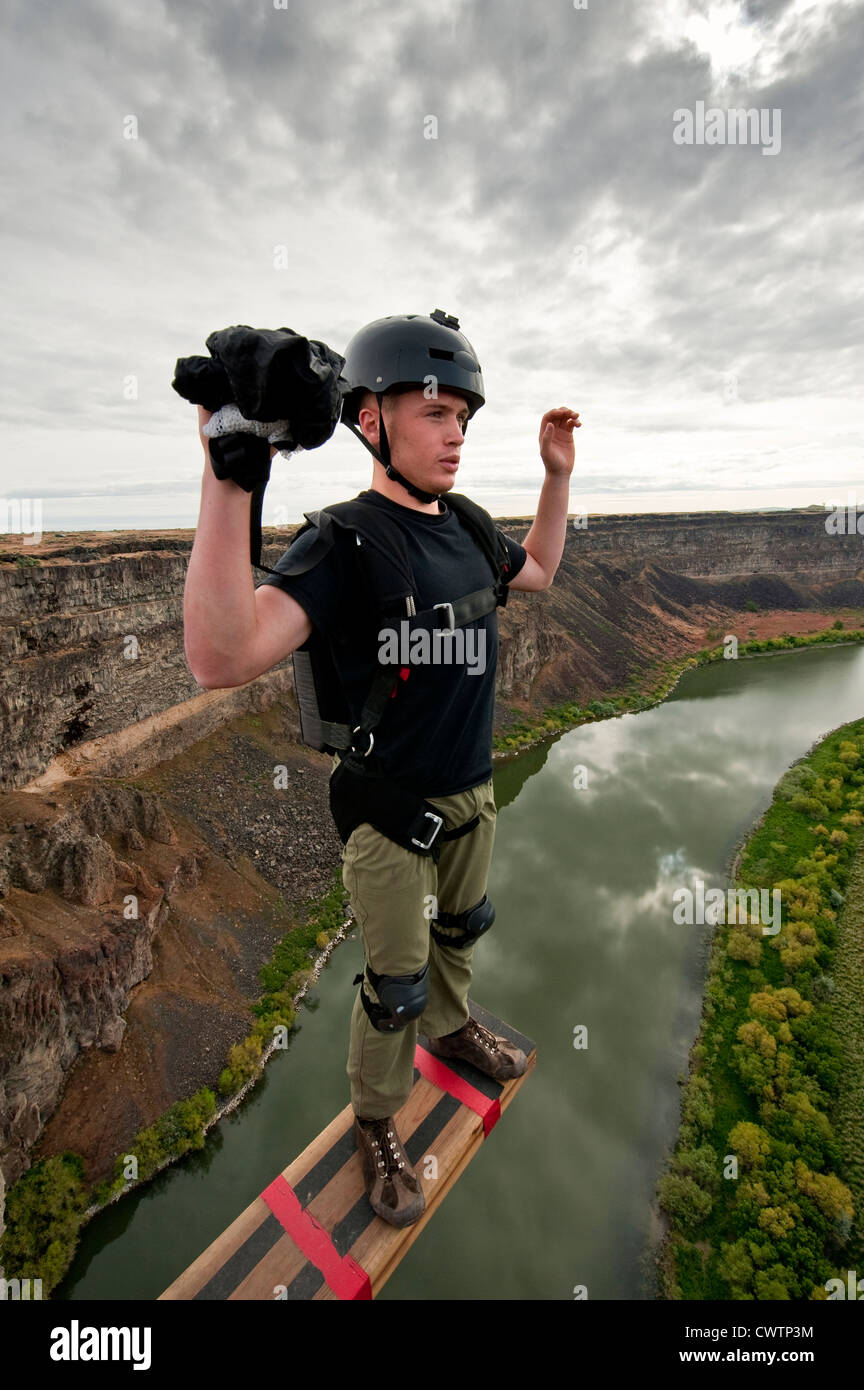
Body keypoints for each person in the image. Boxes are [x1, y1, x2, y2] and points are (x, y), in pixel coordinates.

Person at [183, 310, 580, 1227]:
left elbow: (545, 572)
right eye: (435, 412)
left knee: (463, 933)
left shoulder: (470, 527)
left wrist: (557, 477)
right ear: (371, 420)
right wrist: (229, 469)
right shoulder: (342, 541)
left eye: (464, 419)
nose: (455, 433)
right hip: (390, 810)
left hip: (471, 789)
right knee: (392, 985)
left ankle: (456, 1025)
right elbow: (222, 656)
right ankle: (377, 1121)